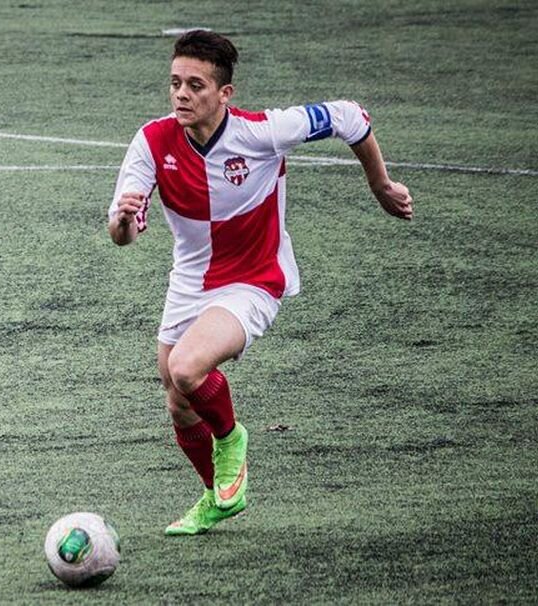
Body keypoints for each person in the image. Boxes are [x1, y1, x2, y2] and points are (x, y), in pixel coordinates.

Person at [107, 30, 413, 536]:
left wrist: (380, 185)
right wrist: (123, 220)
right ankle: (217, 499)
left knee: (186, 368)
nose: (182, 95)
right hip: (189, 280)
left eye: (196, 86)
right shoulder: (152, 140)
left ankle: (231, 440)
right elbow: (124, 234)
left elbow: (350, 116)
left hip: (253, 278)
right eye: (175, 83)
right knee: (178, 398)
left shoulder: (263, 132)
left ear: (224, 94)